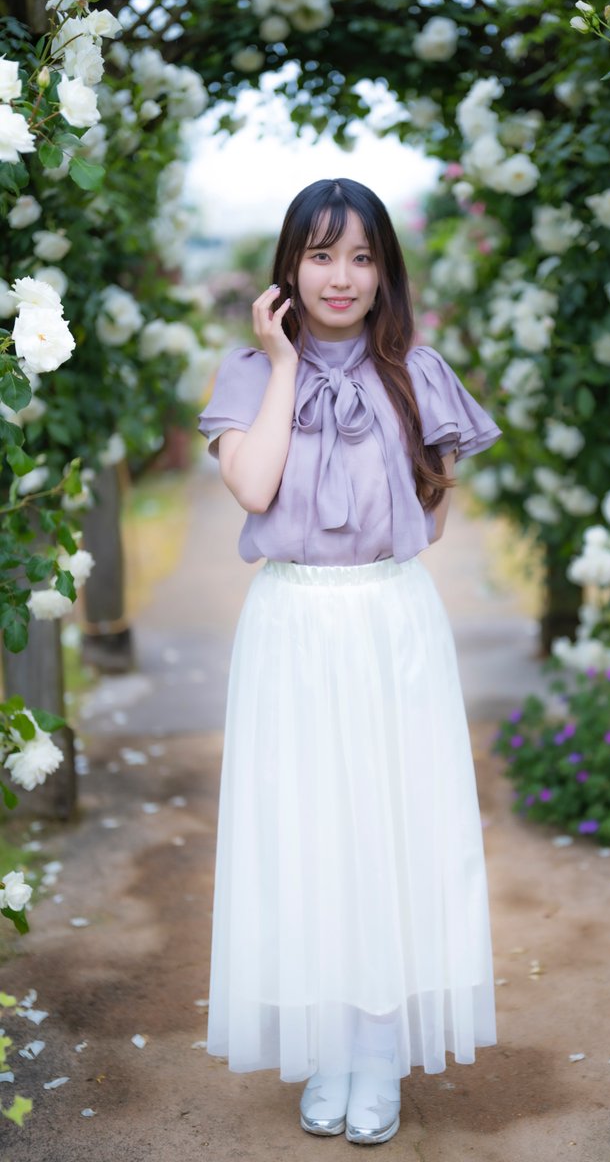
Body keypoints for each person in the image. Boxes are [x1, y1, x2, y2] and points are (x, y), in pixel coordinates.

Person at [198, 177, 500, 1146]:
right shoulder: (248, 371)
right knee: (306, 835)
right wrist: (288, 364)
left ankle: (376, 1055)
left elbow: (431, 512)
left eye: (362, 257)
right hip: (290, 626)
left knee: (389, 832)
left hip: (387, 623)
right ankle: (328, 1047)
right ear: (288, 265)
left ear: (385, 271)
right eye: (321, 254)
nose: (341, 277)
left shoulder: (418, 368)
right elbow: (252, 486)